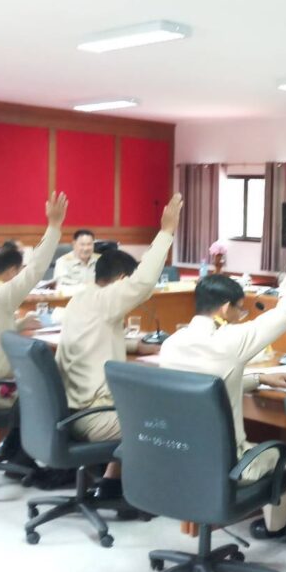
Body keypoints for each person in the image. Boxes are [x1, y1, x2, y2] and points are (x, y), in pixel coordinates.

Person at [160, 222, 286, 543]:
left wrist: (259, 378)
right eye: (240, 310)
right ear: (225, 309)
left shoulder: (171, 344)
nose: (241, 316)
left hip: (179, 455)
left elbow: (207, 385)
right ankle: (275, 529)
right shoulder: (231, 340)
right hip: (226, 465)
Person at [56, 194, 182, 494]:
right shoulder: (106, 300)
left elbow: (95, 336)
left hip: (71, 409)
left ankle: (113, 482)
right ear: (122, 279)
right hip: (92, 416)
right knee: (166, 418)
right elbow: (143, 282)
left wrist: (136, 347)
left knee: (140, 403)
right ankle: (145, 491)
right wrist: (166, 232)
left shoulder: (82, 299)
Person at [0, 192, 69, 410]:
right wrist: (54, 226)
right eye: (18, 272)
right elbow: (36, 269)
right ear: (10, 272)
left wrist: (19, 325)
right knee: (56, 391)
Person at [53, 229, 99, 294]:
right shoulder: (63, 261)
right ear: (74, 244)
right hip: (71, 297)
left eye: (89, 244)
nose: (86, 248)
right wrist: (85, 286)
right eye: (82, 244)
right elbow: (61, 284)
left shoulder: (100, 260)